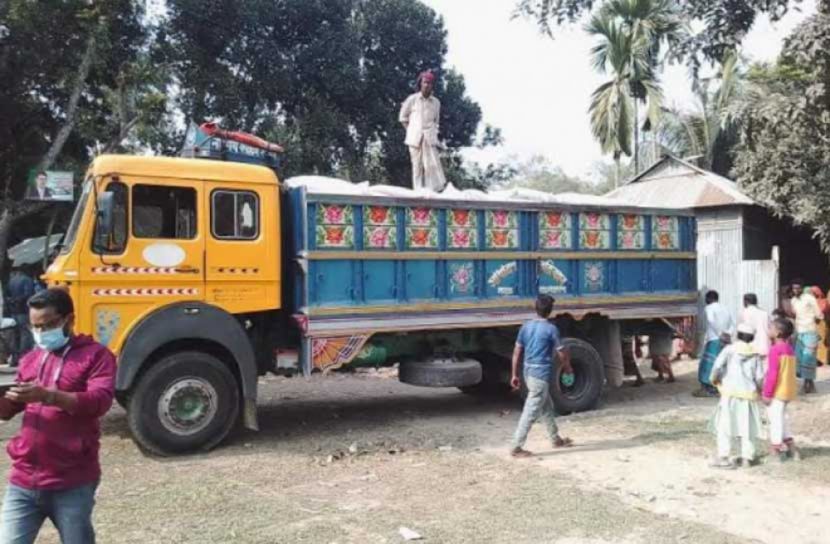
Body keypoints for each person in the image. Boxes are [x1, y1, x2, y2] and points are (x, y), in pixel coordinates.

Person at [0, 288, 116, 544]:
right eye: (35, 327)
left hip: (72, 481)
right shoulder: (31, 359)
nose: (41, 333)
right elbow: (8, 410)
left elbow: (99, 401)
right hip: (23, 480)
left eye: (48, 325)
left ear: (69, 320)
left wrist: (48, 396)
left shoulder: (96, 356)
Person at [509, 295, 574, 457]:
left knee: (546, 406)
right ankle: (516, 447)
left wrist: (514, 374)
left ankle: (555, 439)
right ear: (550, 311)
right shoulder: (551, 329)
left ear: (535, 308)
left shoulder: (526, 327)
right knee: (530, 411)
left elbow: (517, 352)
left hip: (528, 373)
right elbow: (561, 353)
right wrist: (567, 368)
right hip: (540, 375)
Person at [708, 323, 765, 469]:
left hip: (729, 394)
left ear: (738, 335)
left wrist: (714, 380)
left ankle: (724, 456)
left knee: (725, 426)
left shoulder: (729, 350)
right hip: (748, 395)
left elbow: (717, 367)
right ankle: (747, 458)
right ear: (752, 338)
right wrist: (760, 391)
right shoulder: (755, 353)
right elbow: (759, 377)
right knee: (748, 428)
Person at [399, 70, 446, 192]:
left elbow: (436, 122)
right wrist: (411, 131)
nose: (427, 85)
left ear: (432, 85)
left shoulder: (436, 102)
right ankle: (418, 192)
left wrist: (433, 135)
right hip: (415, 138)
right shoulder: (412, 99)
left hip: (429, 138)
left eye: (430, 83)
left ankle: (431, 192)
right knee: (417, 166)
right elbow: (403, 118)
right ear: (421, 83)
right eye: (425, 82)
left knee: (431, 166)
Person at [762, 318, 800, 462]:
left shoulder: (775, 350)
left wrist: (767, 393)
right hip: (787, 390)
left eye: (771, 328)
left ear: (778, 333)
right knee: (783, 418)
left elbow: (773, 374)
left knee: (775, 420)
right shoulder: (789, 349)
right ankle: (792, 449)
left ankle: (776, 451)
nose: (768, 330)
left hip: (777, 391)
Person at [695, 290, 733, 398]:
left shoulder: (709, 308)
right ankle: (719, 386)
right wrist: (727, 334)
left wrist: (720, 334)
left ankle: (709, 389)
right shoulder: (725, 308)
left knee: (708, 364)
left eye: (706, 299)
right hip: (725, 340)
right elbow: (732, 323)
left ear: (709, 299)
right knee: (721, 363)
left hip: (714, 339)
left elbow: (711, 321)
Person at [787, 279, 821, 394]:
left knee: (809, 358)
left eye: (798, 288)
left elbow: (819, 314)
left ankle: (808, 383)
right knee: (800, 359)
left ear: (802, 287)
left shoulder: (810, 299)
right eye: (794, 288)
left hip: (810, 331)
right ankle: (807, 383)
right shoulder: (793, 301)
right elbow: (794, 315)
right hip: (799, 332)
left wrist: (812, 323)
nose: (796, 290)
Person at [5, 267, 35, 367]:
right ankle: (24, 358)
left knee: (15, 335)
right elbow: (29, 295)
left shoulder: (11, 281)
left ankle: (15, 358)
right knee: (26, 335)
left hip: (14, 312)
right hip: (24, 311)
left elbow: (7, 296)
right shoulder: (27, 280)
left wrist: (12, 303)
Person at [738, 293, 770, 360]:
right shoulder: (765, 313)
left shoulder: (745, 312)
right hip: (766, 346)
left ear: (746, 301)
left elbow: (746, 331)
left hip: (752, 348)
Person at [809, 286, 828, 367]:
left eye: (813, 293)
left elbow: (822, 311)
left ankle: (823, 361)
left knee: (822, 342)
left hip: (821, 324)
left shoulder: (824, 301)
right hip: (812, 325)